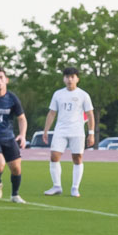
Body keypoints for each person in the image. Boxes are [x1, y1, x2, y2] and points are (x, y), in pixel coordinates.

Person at [42, 67, 95, 198]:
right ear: (63, 78)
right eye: (67, 77)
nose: (69, 79)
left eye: (72, 77)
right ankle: (56, 186)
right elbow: (52, 113)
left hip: (77, 131)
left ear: (77, 78)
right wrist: (46, 130)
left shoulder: (83, 95)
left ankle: (75, 188)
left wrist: (91, 132)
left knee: (77, 158)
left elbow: (90, 114)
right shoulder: (58, 94)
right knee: (54, 156)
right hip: (60, 130)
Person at [0, 66, 28, 203]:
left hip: (8, 137)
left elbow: (21, 118)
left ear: (6, 80)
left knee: (16, 168)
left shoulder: (12, 98)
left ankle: (15, 195)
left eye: (1, 78)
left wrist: (22, 135)